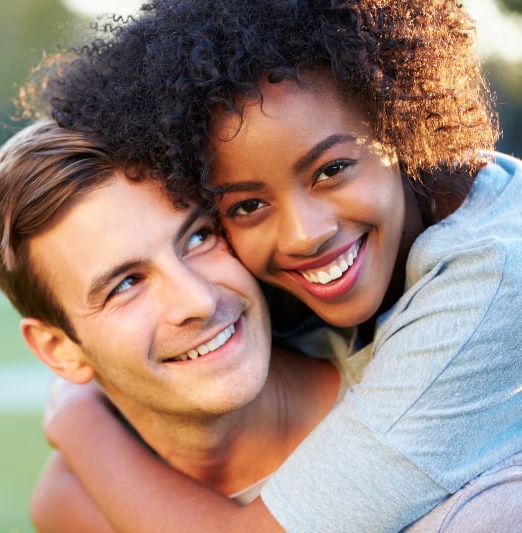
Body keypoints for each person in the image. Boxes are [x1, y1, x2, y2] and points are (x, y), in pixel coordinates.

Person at [26, 0, 522, 531]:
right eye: (247, 205)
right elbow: (54, 496)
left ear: (398, 126)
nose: (305, 234)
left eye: (331, 170)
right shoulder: (321, 257)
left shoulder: (492, 277)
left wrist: (78, 421)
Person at [0, 118, 351, 531]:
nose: (199, 300)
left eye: (198, 238)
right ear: (59, 350)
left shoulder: (396, 396)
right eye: (126, 284)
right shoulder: (73, 505)